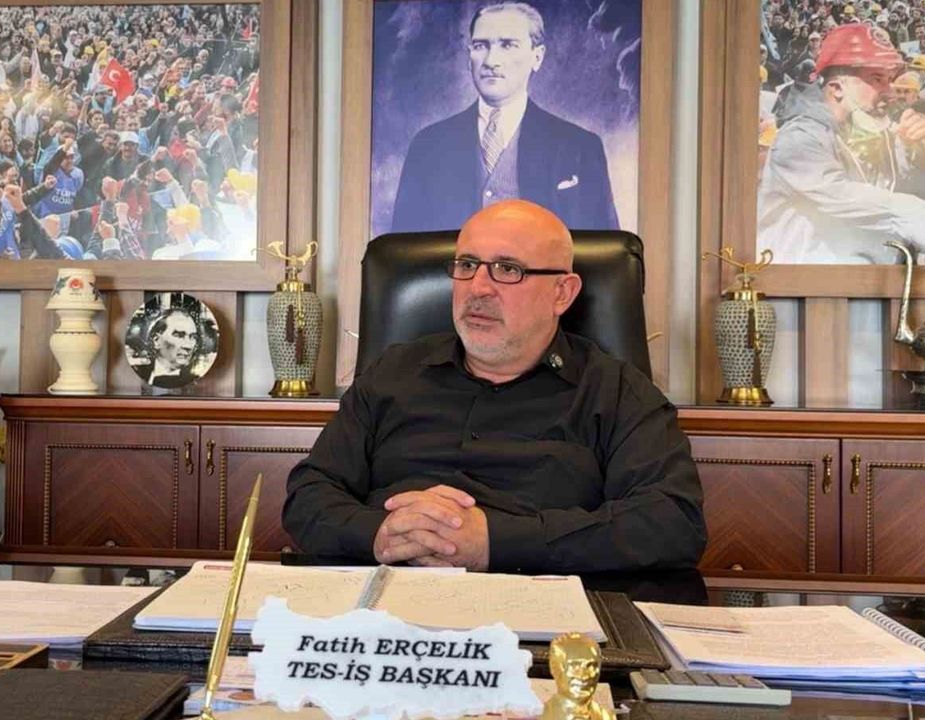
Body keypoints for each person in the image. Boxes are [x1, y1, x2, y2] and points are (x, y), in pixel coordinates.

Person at [283, 199, 704, 574]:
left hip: (538, 610)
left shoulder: (616, 392)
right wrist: (380, 533)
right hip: (384, 600)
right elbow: (308, 494)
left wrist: (496, 542)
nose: (478, 288)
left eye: (508, 269)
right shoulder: (393, 373)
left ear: (562, 293)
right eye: (467, 265)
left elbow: (673, 522)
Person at [757, 24, 925, 264]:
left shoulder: (872, 131)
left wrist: (916, 153)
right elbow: (845, 198)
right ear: (837, 88)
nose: (890, 92)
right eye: (877, 79)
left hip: (860, 275)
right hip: (795, 278)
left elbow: (907, 190)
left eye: (889, 80)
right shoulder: (799, 138)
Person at [390, 2, 618, 233]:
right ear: (469, 56)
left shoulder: (579, 147)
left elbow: (604, 249)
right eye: (480, 45)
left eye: (508, 45)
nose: (491, 61)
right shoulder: (428, 146)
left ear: (537, 57)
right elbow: (404, 249)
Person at [141, 308, 201, 388]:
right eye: (179, 335)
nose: (188, 346)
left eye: (193, 337)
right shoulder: (138, 372)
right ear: (156, 340)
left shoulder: (197, 380)